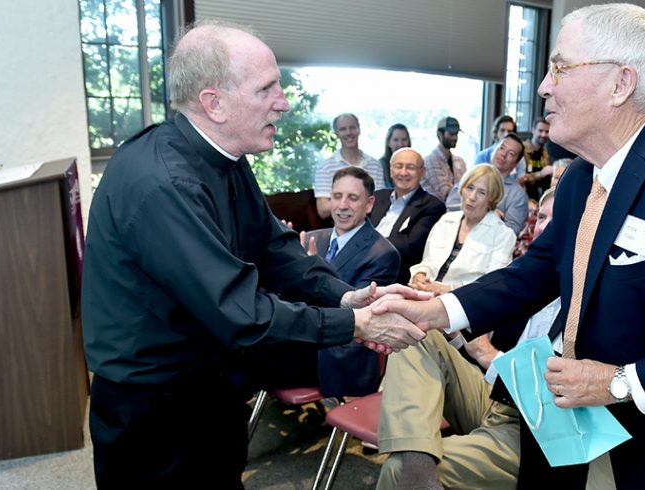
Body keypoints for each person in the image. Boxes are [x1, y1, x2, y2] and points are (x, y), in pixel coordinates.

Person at [374, 4, 645, 488]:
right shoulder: (580, 178)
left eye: (560, 67)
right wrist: (438, 311)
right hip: (570, 429)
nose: (543, 86)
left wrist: (620, 382)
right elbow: (536, 272)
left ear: (620, 83)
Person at [80, 22, 425, 488]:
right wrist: (356, 326)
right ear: (213, 103)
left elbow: (274, 247)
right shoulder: (165, 182)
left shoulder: (226, 157)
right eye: (266, 88)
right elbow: (240, 311)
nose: (283, 101)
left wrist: (346, 298)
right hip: (154, 409)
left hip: (211, 383)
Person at [376, 189, 562, 490]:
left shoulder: (587, 296)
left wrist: (487, 356)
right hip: (497, 397)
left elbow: (561, 397)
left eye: (558, 219)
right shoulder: (528, 281)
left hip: (538, 429)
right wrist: (460, 338)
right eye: (541, 216)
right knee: (416, 333)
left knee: (396, 471)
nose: (544, 226)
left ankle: (413, 470)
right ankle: (416, 456)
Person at [304, 167, 401, 398]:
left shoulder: (383, 254)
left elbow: (352, 313)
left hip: (337, 351)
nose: (342, 205)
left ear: (368, 205)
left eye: (352, 198)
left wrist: (312, 273)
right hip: (303, 337)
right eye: (337, 196)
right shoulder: (312, 238)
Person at [410, 164, 516, 296]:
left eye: (481, 192)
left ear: (491, 200)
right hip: (425, 293)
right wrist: (420, 274)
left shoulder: (503, 235)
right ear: (461, 190)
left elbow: (491, 286)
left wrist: (448, 289)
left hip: (463, 303)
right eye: (469, 188)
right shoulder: (446, 221)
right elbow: (427, 263)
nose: (472, 197)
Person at [370, 148, 447, 285]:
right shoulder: (377, 197)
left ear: (422, 172)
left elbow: (409, 246)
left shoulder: (432, 206)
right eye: (398, 166)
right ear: (391, 170)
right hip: (362, 264)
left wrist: (364, 244)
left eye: (410, 167)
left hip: (393, 273)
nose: (403, 172)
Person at [446, 135, 530, 235]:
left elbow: (511, 232)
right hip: (455, 233)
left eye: (511, 154)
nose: (503, 154)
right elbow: (451, 206)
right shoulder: (472, 175)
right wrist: (488, 213)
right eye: (501, 148)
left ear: (516, 164)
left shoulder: (518, 195)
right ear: (494, 149)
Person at [314, 113, 386, 219]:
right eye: (343, 129)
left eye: (352, 127)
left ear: (359, 130)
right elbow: (322, 210)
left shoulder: (375, 165)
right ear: (336, 133)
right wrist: (354, 200)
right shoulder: (326, 167)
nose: (348, 133)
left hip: (372, 224)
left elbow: (381, 201)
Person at [422, 116, 467, 202]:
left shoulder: (460, 161)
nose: (455, 138)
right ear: (440, 134)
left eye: (456, 134)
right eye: (451, 134)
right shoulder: (430, 161)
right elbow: (446, 192)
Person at [518, 117, 553, 199]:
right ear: (533, 130)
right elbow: (519, 178)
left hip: (538, 197)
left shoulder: (545, 152)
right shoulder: (521, 149)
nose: (543, 135)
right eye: (540, 131)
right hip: (522, 196)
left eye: (547, 132)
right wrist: (541, 174)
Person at [380, 123, 411, 189]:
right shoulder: (381, 165)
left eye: (404, 140)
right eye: (396, 140)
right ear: (389, 143)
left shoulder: (416, 164)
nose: (400, 144)